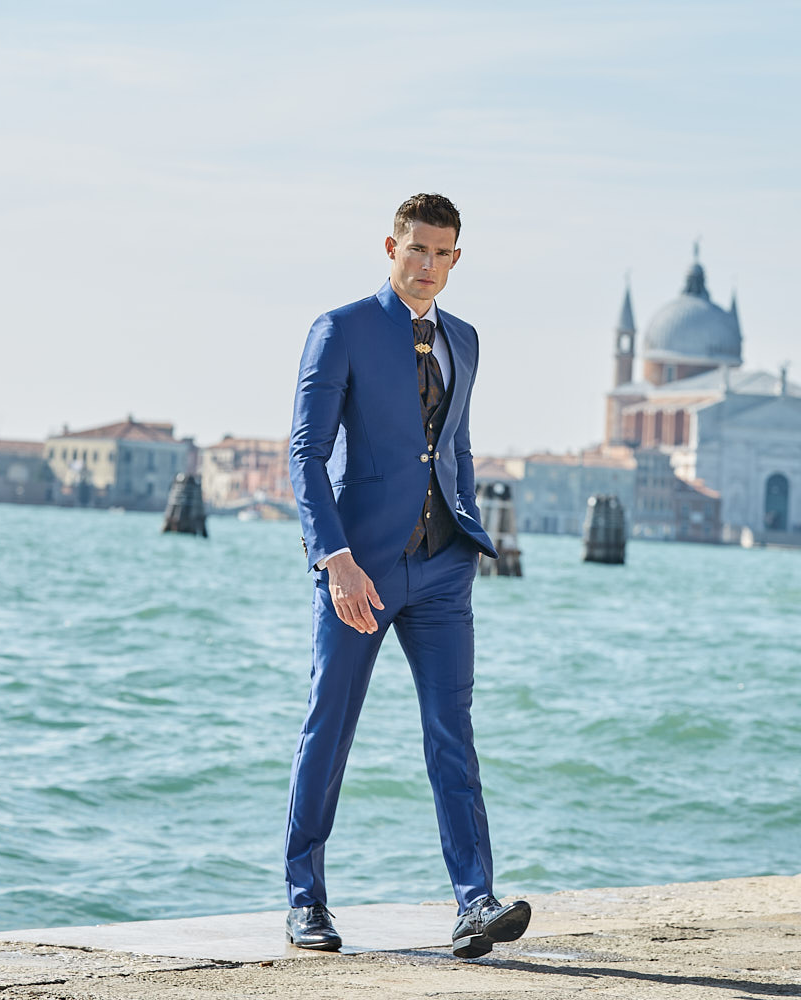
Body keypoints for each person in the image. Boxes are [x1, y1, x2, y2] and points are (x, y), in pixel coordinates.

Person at [284, 193, 531, 959]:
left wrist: (469, 539)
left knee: (453, 738)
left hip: (445, 569)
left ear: (458, 260)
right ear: (389, 248)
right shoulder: (343, 329)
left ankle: (474, 904)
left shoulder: (466, 339)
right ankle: (305, 901)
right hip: (361, 572)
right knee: (331, 729)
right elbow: (305, 454)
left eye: (442, 254)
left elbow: (452, 445)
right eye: (415, 250)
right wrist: (336, 561)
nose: (427, 267)